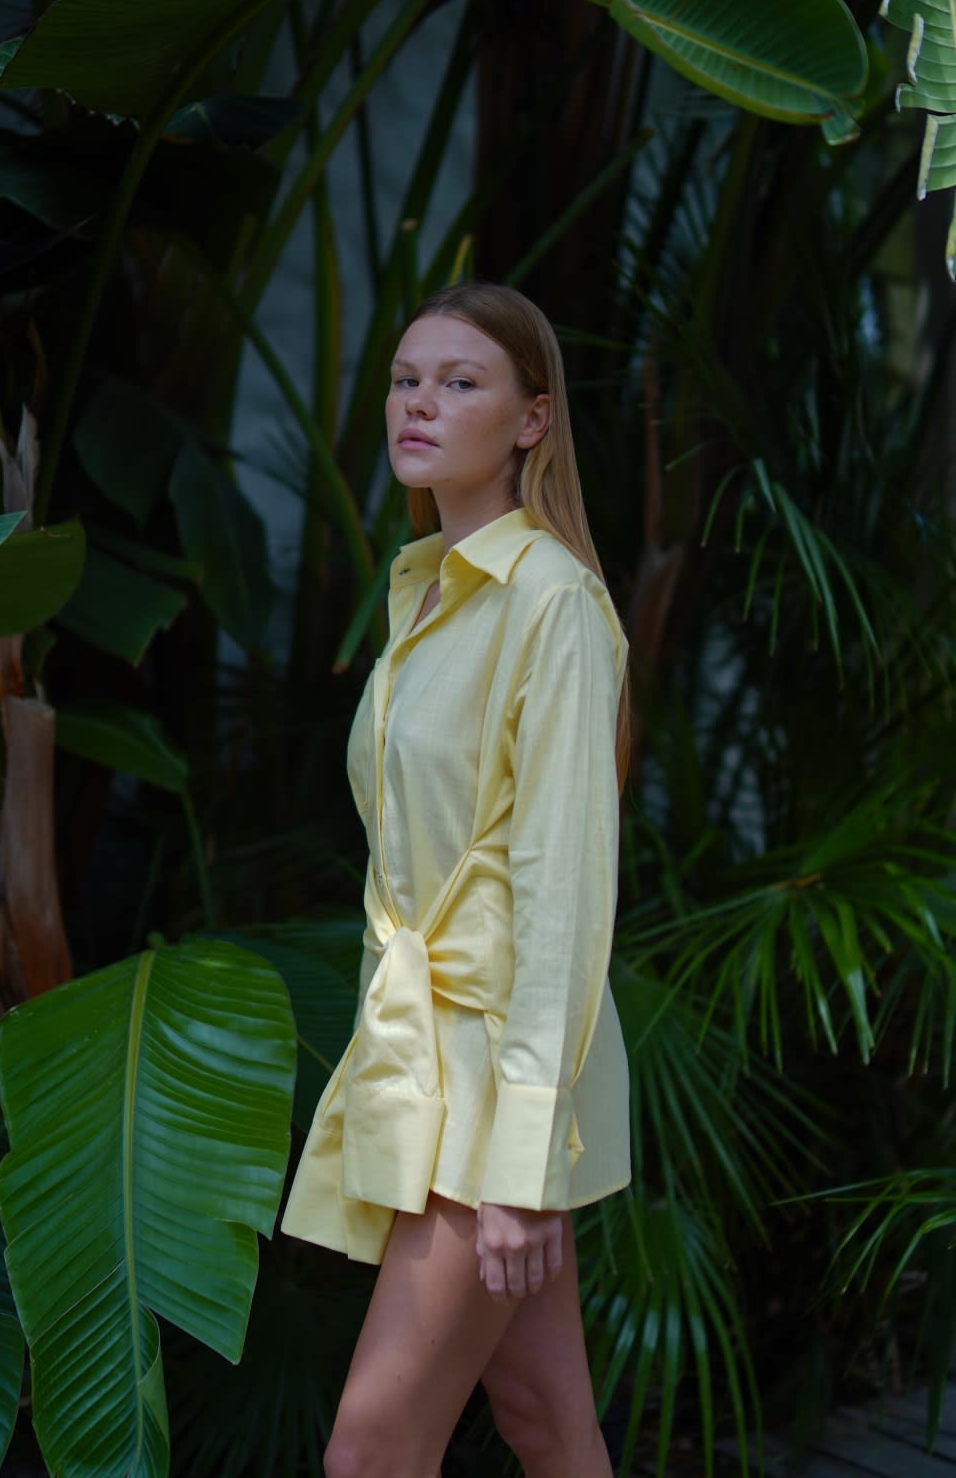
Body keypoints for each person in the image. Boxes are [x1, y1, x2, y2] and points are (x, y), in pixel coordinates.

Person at [281, 282, 630, 1478]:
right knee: (543, 1420)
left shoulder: (552, 604)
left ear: (534, 419)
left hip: (493, 1076)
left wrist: (523, 1168)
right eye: (404, 380)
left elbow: (561, 895)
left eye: (459, 381)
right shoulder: (428, 587)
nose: (418, 404)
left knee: (370, 1450)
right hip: (431, 1057)